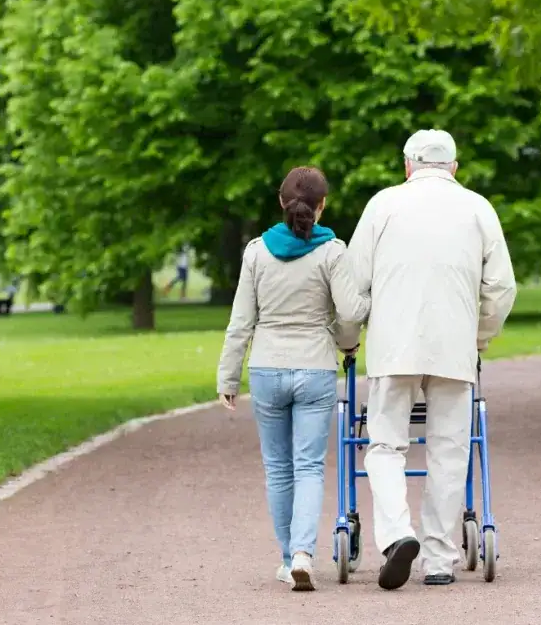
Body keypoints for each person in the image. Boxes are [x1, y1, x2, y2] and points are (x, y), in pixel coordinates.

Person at [346, 129, 516, 590]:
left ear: (407, 166)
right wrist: (479, 336)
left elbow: (351, 284)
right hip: (453, 348)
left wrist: (349, 335)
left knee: (385, 445)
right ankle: (439, 558)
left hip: (393, 346)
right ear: (454, 169)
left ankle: (398, 533)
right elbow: (501, 288)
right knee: (448, 449)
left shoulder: (382, 205)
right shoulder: (478, 207)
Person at [216, 166, 370, 591]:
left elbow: (241, 322)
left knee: (278, 470)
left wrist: (228, 376)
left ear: (281, 203)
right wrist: (346, 344)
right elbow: (351, 313)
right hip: (316, 368)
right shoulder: (333, 252)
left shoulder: (255, 253)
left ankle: (288, 559)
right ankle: (304, 552)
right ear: (322, 206)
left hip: (267, 369)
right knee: (308, 467)